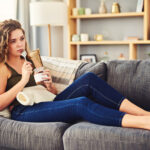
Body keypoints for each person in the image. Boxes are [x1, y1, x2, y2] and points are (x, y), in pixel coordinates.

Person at [0, 19, 150, 130]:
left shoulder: (29, 61)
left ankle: (144, 114)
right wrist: (23, 80)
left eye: (21, 38)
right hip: (24, 111)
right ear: (4, 43)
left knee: (89, 79)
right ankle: (141, 123)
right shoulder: (3, 67)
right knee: (80, 103)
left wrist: (49, 85)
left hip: (45, 102)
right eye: (13, 41)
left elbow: (50, 94)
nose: (20, 44)